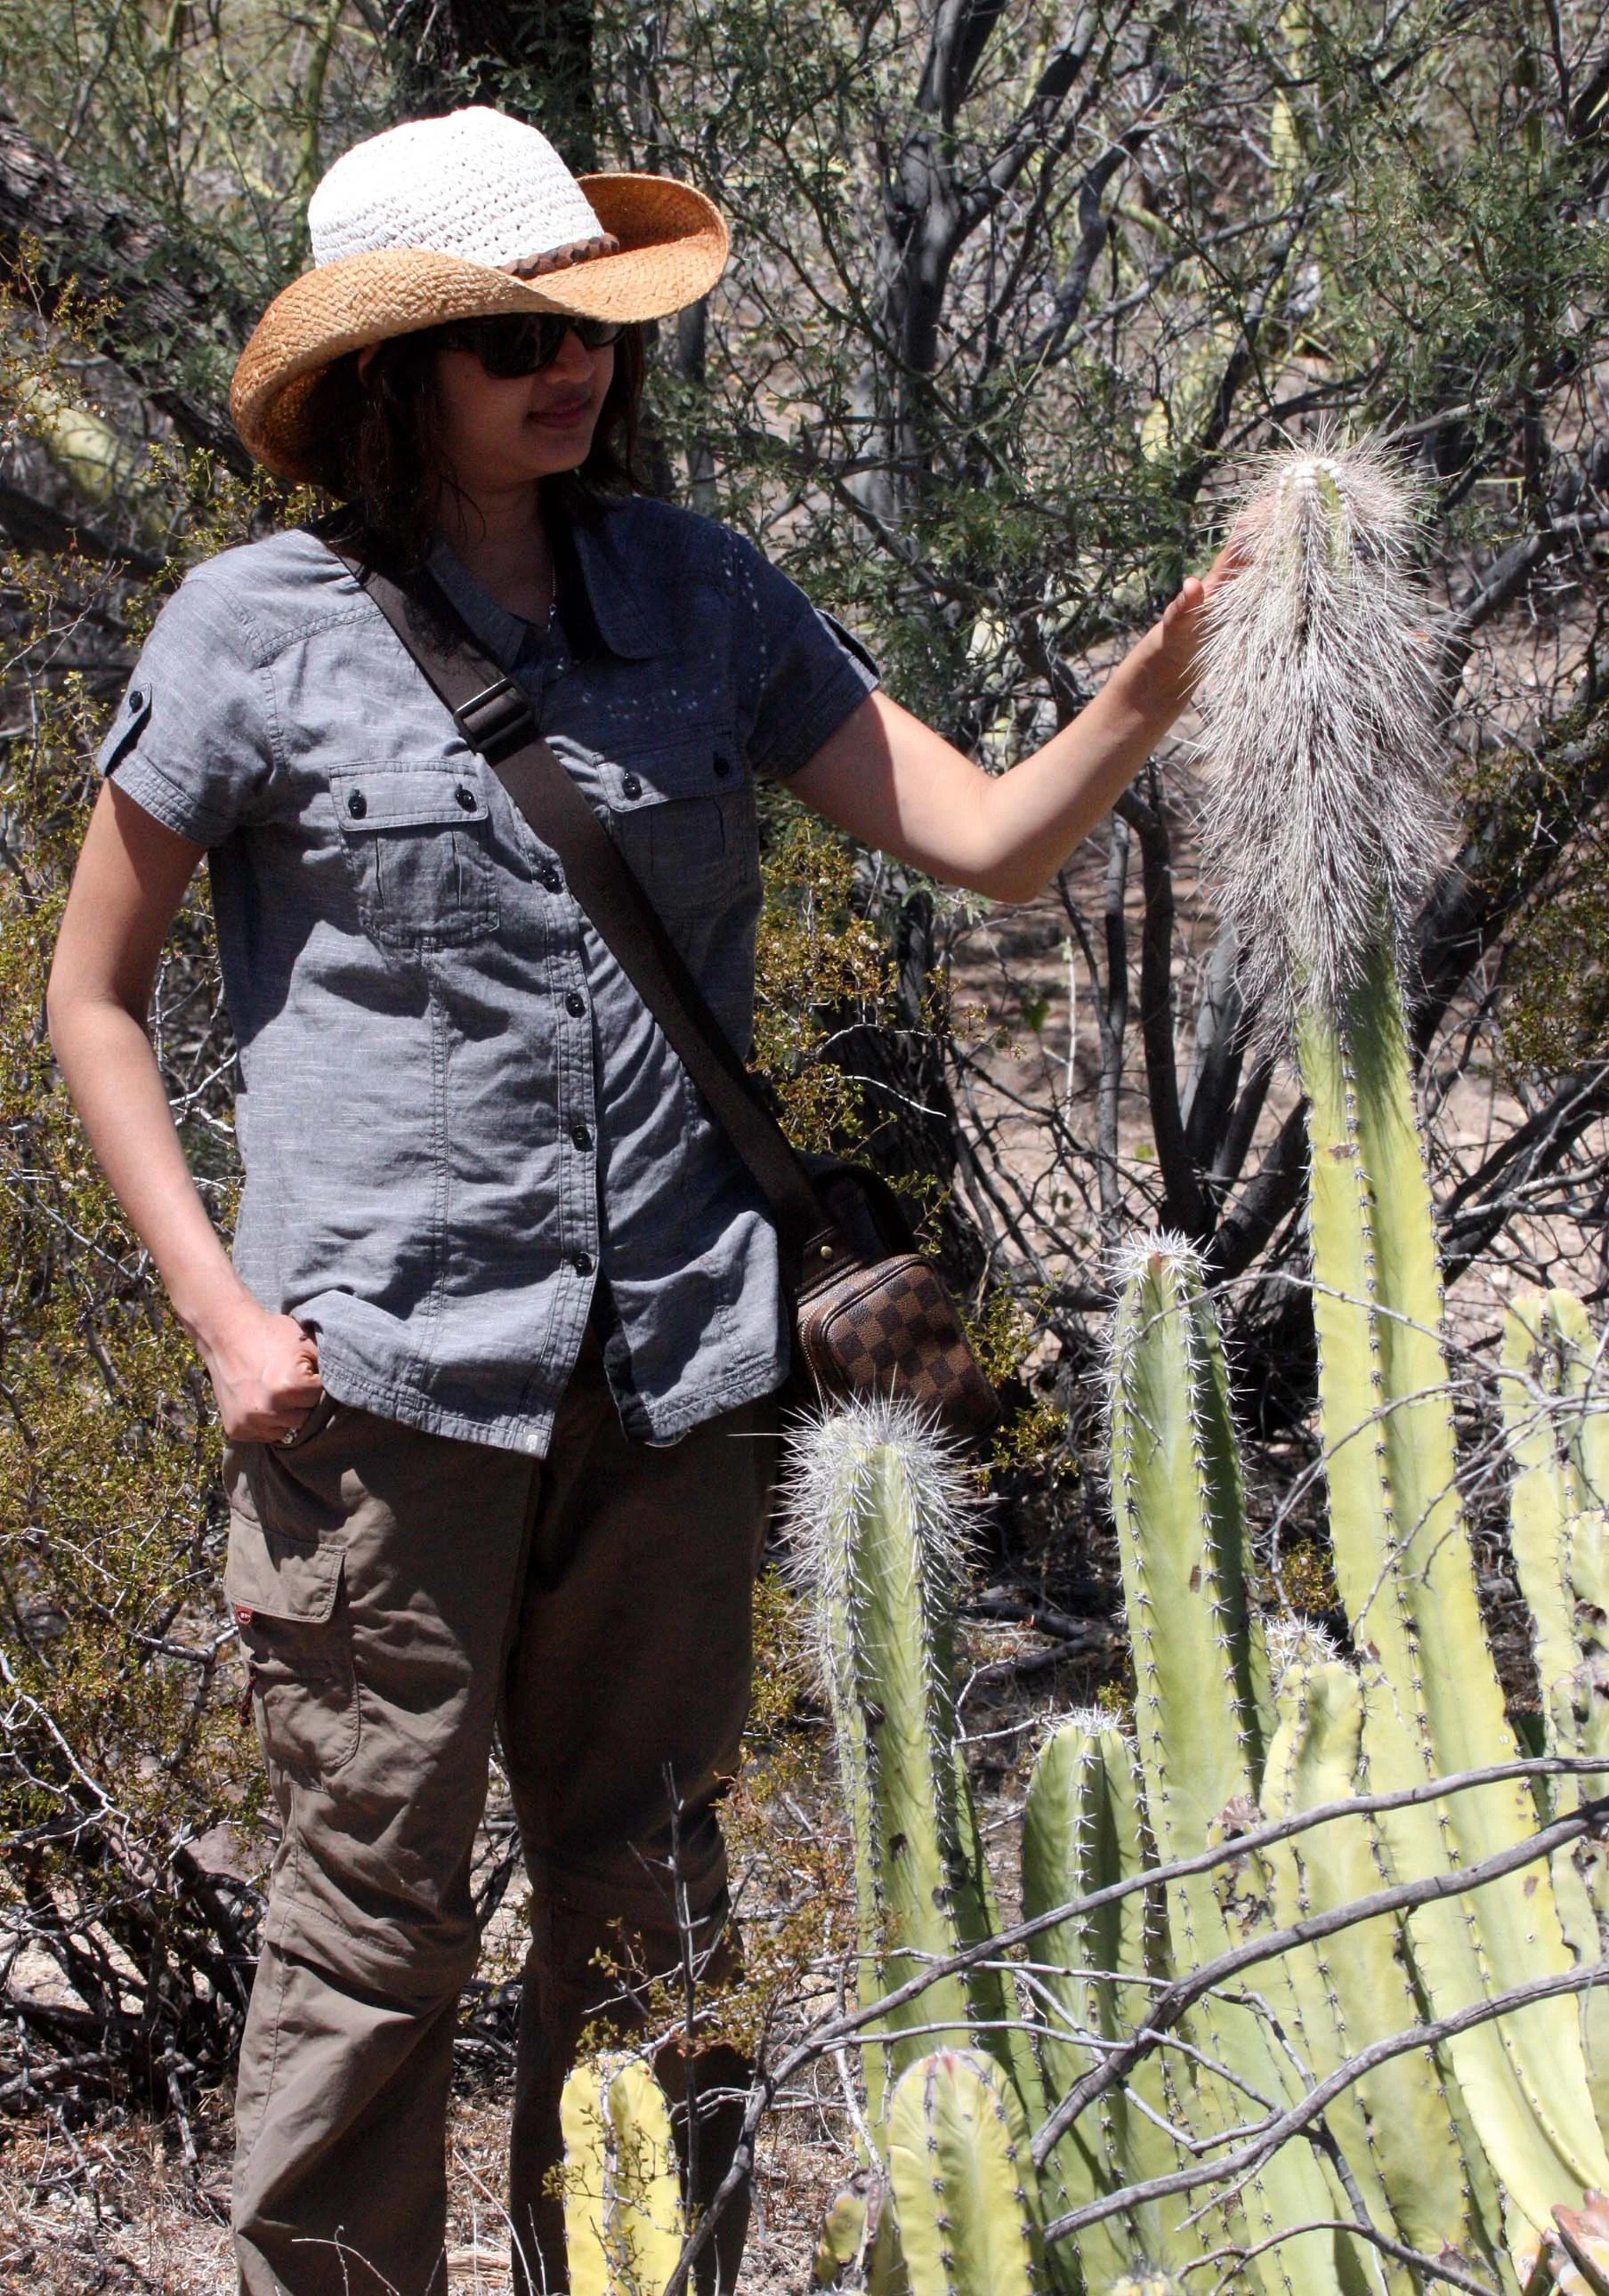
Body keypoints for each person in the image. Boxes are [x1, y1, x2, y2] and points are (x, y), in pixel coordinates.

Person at [45, 106, 1238, 2296]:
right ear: (389, 371)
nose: (567, 366)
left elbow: (987, 846)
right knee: (369, 1922)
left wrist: (1144, 700)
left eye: (582, 325)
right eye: (509, 335)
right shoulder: (249, 630)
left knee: (652, 1896)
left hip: (679, 1370)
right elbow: (90, 998)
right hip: (376, 1388)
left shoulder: (699, 591)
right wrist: (222, 1314)